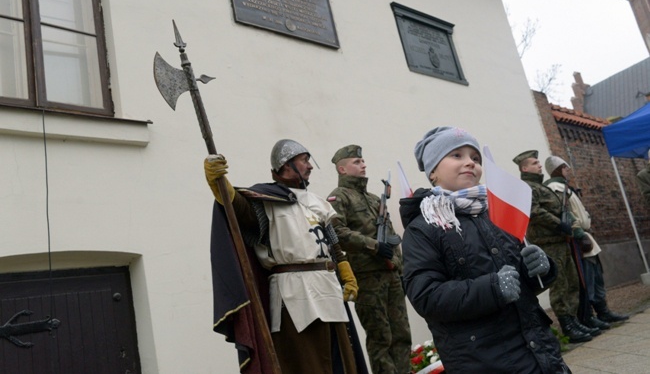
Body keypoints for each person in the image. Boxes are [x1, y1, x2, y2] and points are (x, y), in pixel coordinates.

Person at [401, 127, 570, 373]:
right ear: (433, 172)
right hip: (483, 360)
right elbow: (425, 296)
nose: (470, 162)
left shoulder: (498, 211)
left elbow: (521, 284)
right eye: (456, 155)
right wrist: (492, 288)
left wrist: (541, 270)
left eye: (475, 157)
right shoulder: (424, 226)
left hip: (540, 353)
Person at [204, 139, 363, 374]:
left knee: (340, 360)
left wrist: (345, 268)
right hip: (293, 293)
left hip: (328, 289)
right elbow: (237, 208)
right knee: (305, 362)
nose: (310, 166)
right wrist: (219, 184)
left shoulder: (316, 202)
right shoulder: (264, 200)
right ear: (286, 165)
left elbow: (332, 239)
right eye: (304, 160)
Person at [327, 145, 412, 374]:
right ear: (342, 168)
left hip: (391, 275)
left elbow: (393, 237)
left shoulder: (375, 199)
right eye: (356, 162)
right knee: (380, 339)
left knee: (402, 335)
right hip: (367, 279)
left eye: (362, 161)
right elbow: (336, 233)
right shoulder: (339, 197)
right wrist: (374, 246)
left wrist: (401, 272)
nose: (363, 164)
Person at [514, 150, 597, 343]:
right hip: (548, 242)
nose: (539, 165)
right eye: (535, 163)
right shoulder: (527, 187)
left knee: (571, 282)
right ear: (525, 168)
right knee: (560, 284)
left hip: (560, 240)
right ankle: (567, 325)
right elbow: (534, 211)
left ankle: (574, 321)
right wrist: (559, 224)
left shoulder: (540, 186)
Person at [544, 156, 629, 327]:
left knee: (596, 275)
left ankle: (603, 311)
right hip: (578, 239)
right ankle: (589, 315)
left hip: (584, 236)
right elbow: (566, 213)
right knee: (587, 278)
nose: (568, 171)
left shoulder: (564, 186)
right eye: (565, 168)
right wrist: (579, 234)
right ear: (559, 169)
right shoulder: (556, 187)